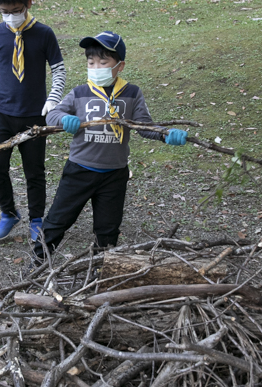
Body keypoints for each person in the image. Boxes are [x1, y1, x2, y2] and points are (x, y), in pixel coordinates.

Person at [33, 30, 187, 261]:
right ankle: (37, 263)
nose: (96, 68)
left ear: (120, 66)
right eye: (91, 62)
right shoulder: (80, 93)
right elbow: (52, 114)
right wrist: (64, 120)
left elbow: (143, 126)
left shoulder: (132, 93)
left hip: (114, 174)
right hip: (79, 171)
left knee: (108, 228)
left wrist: (166, 135)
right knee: (57, 221)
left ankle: (101, 268)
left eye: (103, 62)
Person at [0, 0, 66, 241]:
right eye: (4, 12)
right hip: (2, 113)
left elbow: (58, 70)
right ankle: (8, 213)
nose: (11, 16)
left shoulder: (44, 33)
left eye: (16, 11)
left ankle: (36, 219)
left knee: (33, 170)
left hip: (35, 115)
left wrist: (54, 98)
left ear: (28, 4)